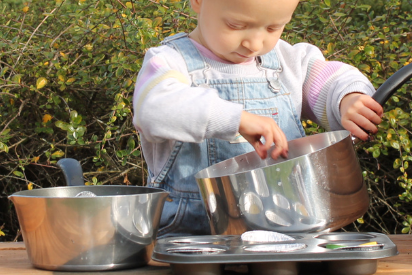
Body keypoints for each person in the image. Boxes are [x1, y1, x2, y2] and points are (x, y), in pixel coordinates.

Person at [132, 0, 384, 238]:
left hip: (287, 232)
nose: (254, 43)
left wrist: (348, 99)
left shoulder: (287, 63)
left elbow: (331, 80)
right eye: (236, 25)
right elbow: (153, 110)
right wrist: (234, 118)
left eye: (273, 28)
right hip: (190, 240)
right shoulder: (170, 62)